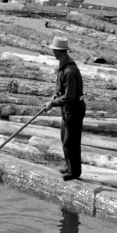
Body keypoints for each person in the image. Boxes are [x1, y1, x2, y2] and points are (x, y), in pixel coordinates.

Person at [43, 37, 85, 181]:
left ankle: (74, 172)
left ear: (59, 51)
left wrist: (52, 104)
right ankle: (69, 167)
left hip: (74, 108)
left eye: (54, 50)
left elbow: (70, 96)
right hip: (67, 109)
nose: (53, 52)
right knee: (64, 138)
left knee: (71, 141)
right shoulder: (62, 66)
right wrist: (55, 96)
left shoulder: (69, 71)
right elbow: (60, 88)